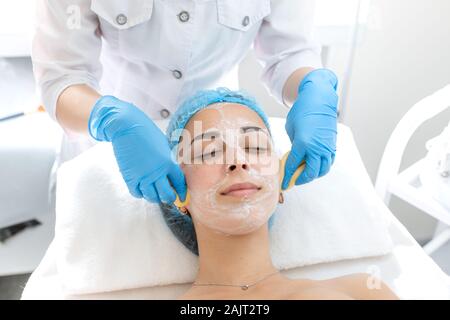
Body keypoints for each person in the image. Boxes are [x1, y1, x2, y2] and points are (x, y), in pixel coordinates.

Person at [33, 0, 338, 204]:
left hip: (213, 124)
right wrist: (110, 120)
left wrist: (312, 90)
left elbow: (290, 52)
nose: (241, 162)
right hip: (108, 148)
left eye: (255, 146)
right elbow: (63, 75)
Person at [159, 88, 397, 300]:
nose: (238, 161)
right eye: (209, 152)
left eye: (255, 147)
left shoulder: (364, 290)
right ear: (176, 190)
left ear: (282, 179)